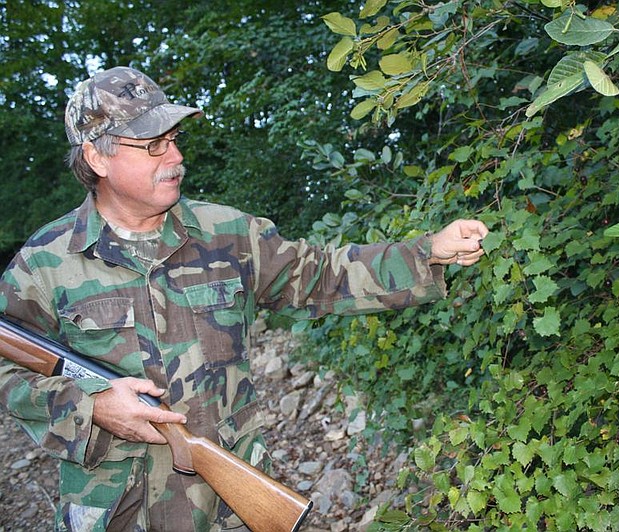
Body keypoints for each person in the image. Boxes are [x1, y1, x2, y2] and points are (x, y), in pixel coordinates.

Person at [0, 66, 488, 531]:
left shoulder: (226, 233)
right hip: (117, 510)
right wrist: (91, 406)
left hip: (229, 503)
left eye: (172, 141)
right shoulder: (45, 262)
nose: (175, 158)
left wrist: (428, 253)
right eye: (152, 146)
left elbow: (320, 275)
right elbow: (9, 368)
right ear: (97, 158)